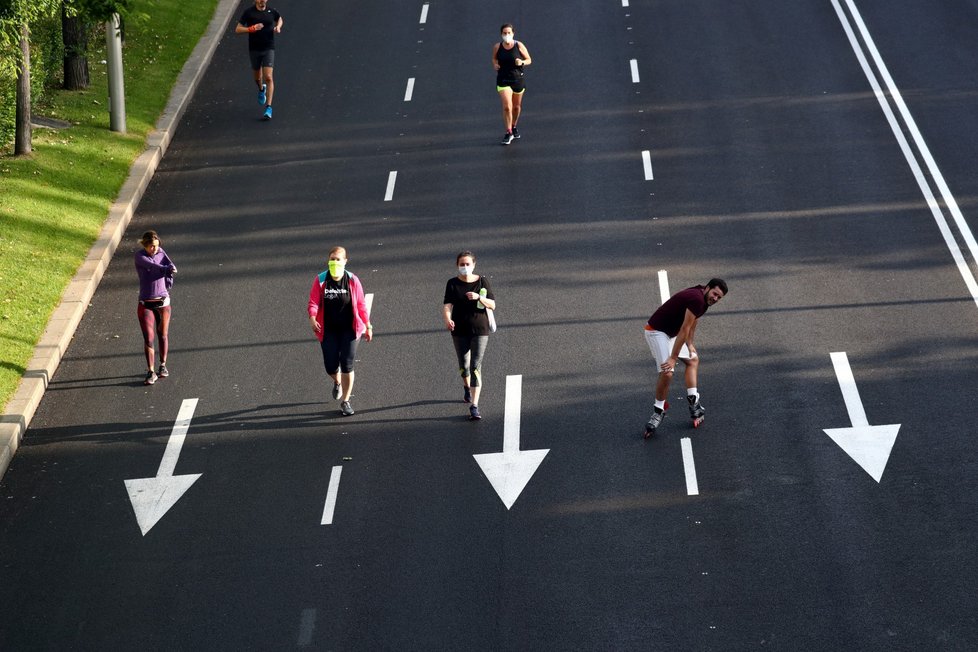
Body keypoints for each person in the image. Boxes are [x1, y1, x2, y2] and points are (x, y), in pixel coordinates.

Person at [643, 279, 728, 438]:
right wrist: (673, 358)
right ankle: (658, 411)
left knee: (692, 359)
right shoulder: (697, 299)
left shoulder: (703, 299)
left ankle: (693, 401)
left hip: (670, 335)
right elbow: (684, 329)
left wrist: (690, 344)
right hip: (656, 332)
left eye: (719, 298)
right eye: (715, 294)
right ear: (708, 288)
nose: (715, 299)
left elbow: (693, 320)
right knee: (667, 371)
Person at [307, 247, 372, 416]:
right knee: (330, 365)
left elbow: (361, 305)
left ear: (345, 261)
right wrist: (313, 318)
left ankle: (346, 400)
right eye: (332, 259)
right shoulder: (321, 280)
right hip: (328, 329)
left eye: (338, 259)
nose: (335, 262)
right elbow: (313, 302)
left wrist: (368, 325)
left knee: (347, 363)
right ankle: (337, 382)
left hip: (349, 329)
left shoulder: (352, 280)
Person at [443, 251, 496, 420]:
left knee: (475, 366)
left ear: (474, 265)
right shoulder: (452, 283)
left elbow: (492, 304)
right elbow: (447, 305)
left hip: (480, 329)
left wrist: (479, 298)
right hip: (459, 330)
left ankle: (474, 405)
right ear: (457, 265)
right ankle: (467, 388)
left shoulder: (482, 281)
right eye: (462, 264)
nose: (465, 267)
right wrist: (448, 320)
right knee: (464, 366)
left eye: (468, 264)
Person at [134, 230, 177, 386]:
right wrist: (166, 269)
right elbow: (153, 266)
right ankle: (151, 371)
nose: (155, 249)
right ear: (145, 245)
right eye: (151, 246)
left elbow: (168, 263)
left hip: (163, 302)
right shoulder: (140, 257)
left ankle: (163, 365)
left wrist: (171, 268)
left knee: (163, 334)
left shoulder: (160, 252)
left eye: (156, 246)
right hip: (145, 303)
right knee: (149, 338)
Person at [235, 0, 283, 121]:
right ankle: (261, 89)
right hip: (255, 49)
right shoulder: (249, 13)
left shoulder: (271, 11)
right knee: (257, 77)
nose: (262, 1)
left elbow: (280, 18)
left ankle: (269, 108)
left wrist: (278, 27)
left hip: (268, 48)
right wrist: (251, 29)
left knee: (269, 77)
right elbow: (238, 29)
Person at [492, 23, 532, 146]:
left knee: (516, 107)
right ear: (501, 34)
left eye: (509, 33)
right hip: (503, 80)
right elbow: (494, 58)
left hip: (517, 80)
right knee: (507, 107)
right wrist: (495, 64)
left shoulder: (519, 45)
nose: (507, 35)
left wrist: (522, 62)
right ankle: (508, 132)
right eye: (504, 33)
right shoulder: (497, 47)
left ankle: (514, 126)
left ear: (513, 34)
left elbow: (529, 59)